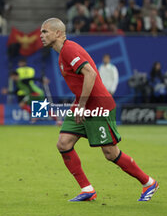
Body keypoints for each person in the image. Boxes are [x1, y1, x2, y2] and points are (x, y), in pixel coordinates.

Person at [40, 18, 158, 202]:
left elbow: (91, 74)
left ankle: (148, 182)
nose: (41, 35)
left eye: (45, 31)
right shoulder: (63, 53)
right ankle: (87, 190)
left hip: (97, 105)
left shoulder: (69, 49)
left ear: (57, 33)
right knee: (64, 143)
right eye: (41, 32)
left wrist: (81, 106)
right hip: (83, 104)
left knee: (110, 153)